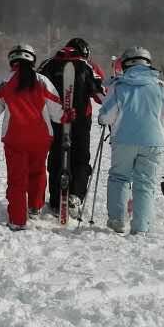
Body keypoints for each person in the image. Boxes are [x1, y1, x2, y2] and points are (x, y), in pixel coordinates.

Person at [97, 46, 164, 236]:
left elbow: (107, 115)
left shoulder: (119, 86)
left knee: (119, 178)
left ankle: (117, 220)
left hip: (124, 141)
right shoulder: (160, 87)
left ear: (126, 64)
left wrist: (102, 118)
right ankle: (141, 226)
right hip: (153, 142)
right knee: (145, 183)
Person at [0, 43, 64, 230]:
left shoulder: (5, 82)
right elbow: (58, 111)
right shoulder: (42, 81)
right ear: (32, 60)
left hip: (15, 137)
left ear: (12, 60)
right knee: (37, 172)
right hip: (41, 136)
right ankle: (35, 207)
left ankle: (18, 220)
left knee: (17, 179)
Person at [38, 37, 106, 217]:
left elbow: (36, 86)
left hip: (54, 119)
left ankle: (55, 200)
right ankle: (75, 196)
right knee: (81, 159)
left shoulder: (48, 64)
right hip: (81, 120)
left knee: (55, 157)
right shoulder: (88, 66)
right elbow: (101, 96)